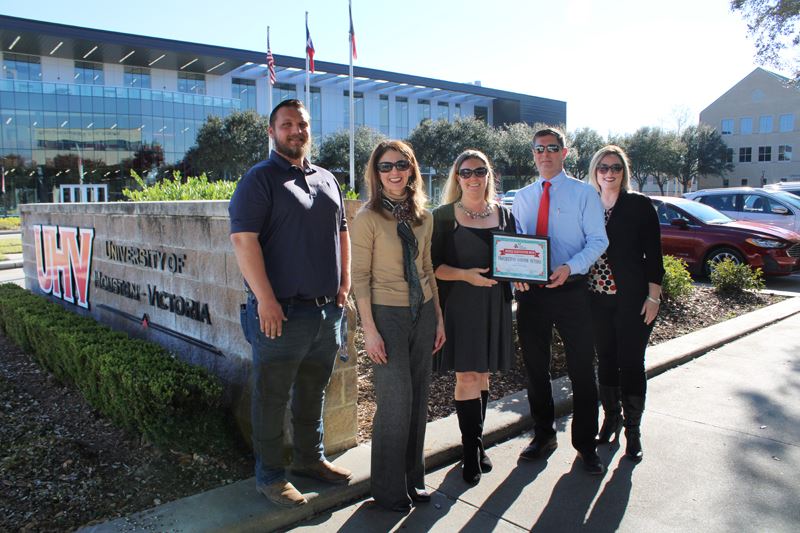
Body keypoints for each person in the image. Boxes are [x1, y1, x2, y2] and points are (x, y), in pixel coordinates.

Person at [228, 99, 352, 508]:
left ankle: (310, 460)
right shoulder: (258, 180)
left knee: (312, 392)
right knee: (271, 396)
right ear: (272, 131)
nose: (295, 131)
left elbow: (343, 233)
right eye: (286, 125)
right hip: (281, 314)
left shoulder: (327, 179)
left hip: (326, 312)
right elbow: (243, 242)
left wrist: (344, 286)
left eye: (301, 124)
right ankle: (269, 477)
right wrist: (265, 299)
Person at [351, 140, 446, 512]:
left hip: (421, 312)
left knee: (419, 397)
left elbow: (426, 270)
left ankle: (413, 480)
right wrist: (369, 331)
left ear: (411, 169)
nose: (394, 172)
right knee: (395, 402)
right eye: (386, 166)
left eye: (401, 165)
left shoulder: (424, 216)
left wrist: (438, 317)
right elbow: (360, 278)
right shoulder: (368, 218)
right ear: (376, 173)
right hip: (386, 316)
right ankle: (388, 490)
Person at [511, 127, 609, 474]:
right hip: (533, 296)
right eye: (539, 149)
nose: (545, 154)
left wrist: (571, 267)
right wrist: (517, 273)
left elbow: (598, 240)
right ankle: (543, 435)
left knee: (582, 370)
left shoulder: (584, 194)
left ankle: (586, 445)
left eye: (552, 148)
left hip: (572, 291)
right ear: (534, 154)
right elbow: (517, 243)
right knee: (536, 369)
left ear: (565, 153)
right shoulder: (522, 197)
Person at [431, 149, 515, 485]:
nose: (473, 178)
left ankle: (478, 444)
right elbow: (433, 267)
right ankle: (469, 451)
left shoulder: (504, 215)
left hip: (495, 304)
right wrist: (467, 275)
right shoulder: (443, 216)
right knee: (466, 377)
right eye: (466, 173)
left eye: (479, 171)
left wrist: (523, 274)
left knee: (483, 376)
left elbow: (517, 256)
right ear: (457, 177)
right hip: (461, 305)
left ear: (488, 175)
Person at [587, 145, 664, 462]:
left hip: (633, 300)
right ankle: (611, 419)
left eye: (615, 167)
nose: (609, 173)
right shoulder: (587, 204)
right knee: (605, 359)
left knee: (631, 363)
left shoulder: (638, 205)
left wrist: (654, 296)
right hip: (596, 300)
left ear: (624, 171)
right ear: (595, 171)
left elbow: (654, 255)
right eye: (603, 167)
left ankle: (633, 431)